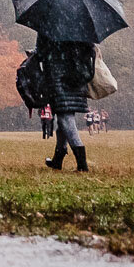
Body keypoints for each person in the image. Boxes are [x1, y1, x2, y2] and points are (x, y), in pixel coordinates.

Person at [34, 34, 95, 172]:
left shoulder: (48, 27)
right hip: (77, 78)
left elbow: (42, 54)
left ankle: (82, 165)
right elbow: (89, 51)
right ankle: (58, 158)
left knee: (65, 118)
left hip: (58, 77)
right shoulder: (81, 28)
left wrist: (37, 53)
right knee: (64, 119)